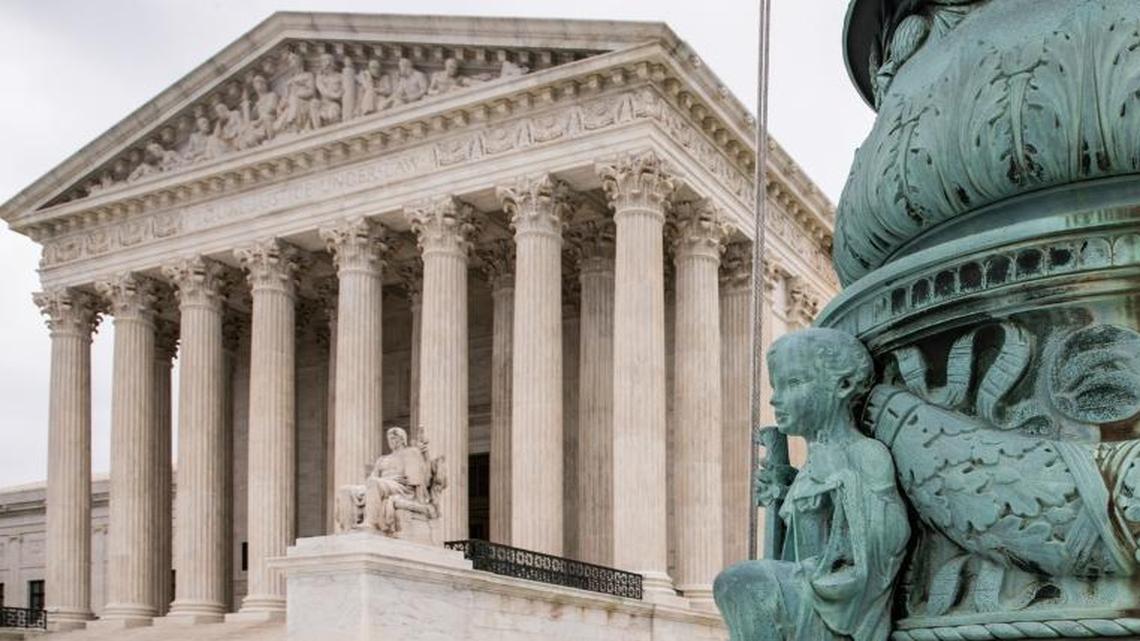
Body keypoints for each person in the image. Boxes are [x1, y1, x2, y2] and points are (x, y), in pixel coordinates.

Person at [713, 328, 909, 641]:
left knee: (740, 581)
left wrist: (842, 485)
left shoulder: (864, 452)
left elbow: (890, 538)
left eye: (792, 383)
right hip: (808, 588)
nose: (775, 398)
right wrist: (783, 493)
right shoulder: (809, 467)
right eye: (776, 386)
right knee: (741, 585)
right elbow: (789, 553)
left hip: (836, 599)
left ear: (843, 385)